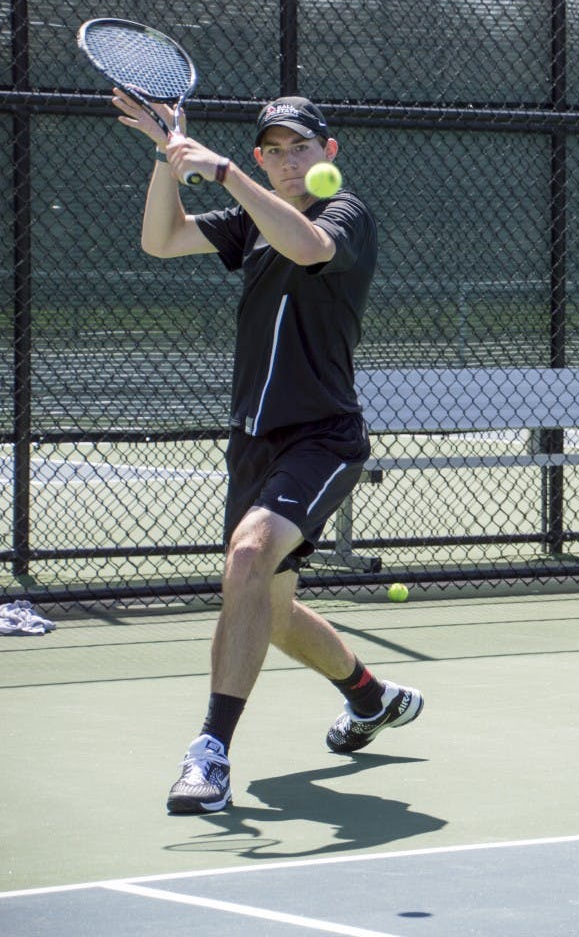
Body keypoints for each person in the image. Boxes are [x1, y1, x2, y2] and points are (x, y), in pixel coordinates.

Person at [111, 89, 424, 814]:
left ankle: (210, 751)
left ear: (328, 155)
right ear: (263, 156)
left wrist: (221, 172)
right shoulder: (251, 223)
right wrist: (168, 161)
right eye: (274, 151)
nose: (289, 162)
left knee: (248, 560)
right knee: (272, 611)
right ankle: (370, 698)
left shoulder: (346, 215)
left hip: (323, 439)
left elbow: (308, 246)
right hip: (252, 443)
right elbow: (162, 239)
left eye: (301, 148)